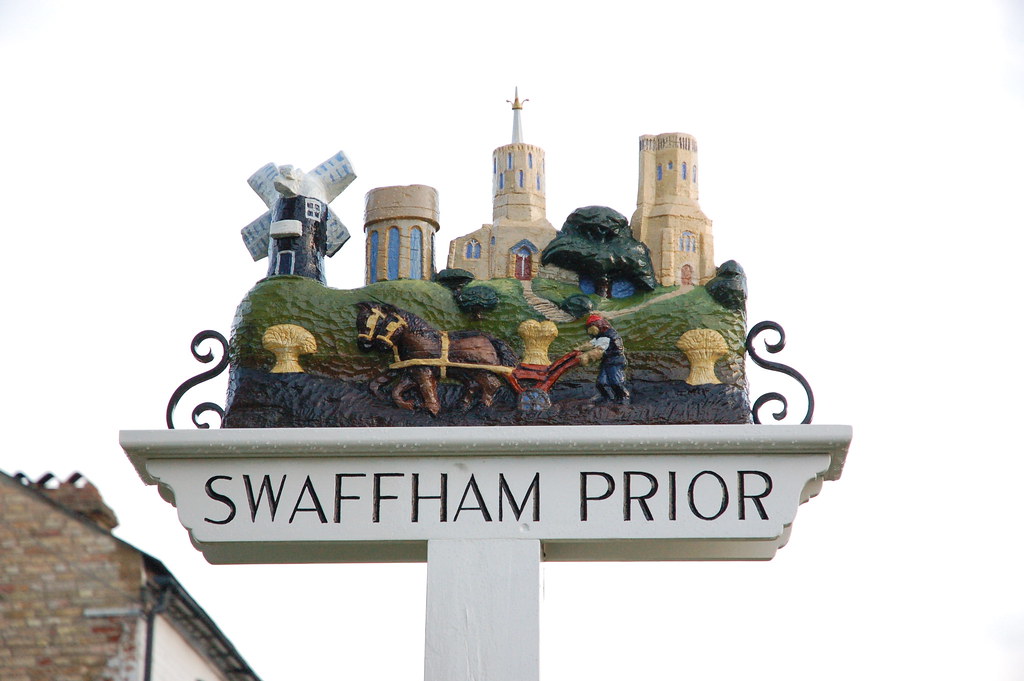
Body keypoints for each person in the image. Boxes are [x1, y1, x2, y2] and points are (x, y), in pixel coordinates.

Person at [576, 314, 629, 404]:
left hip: (615, 362)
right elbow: (591, 344)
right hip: (607, 362)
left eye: (590, 327)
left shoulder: (608, 336)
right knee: (601, 382)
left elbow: (598, 351)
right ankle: (607, 396)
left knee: (616, 382)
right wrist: (579, 349)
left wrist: (586, 356)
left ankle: (623, 397)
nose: (589, 331)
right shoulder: (601, 336)